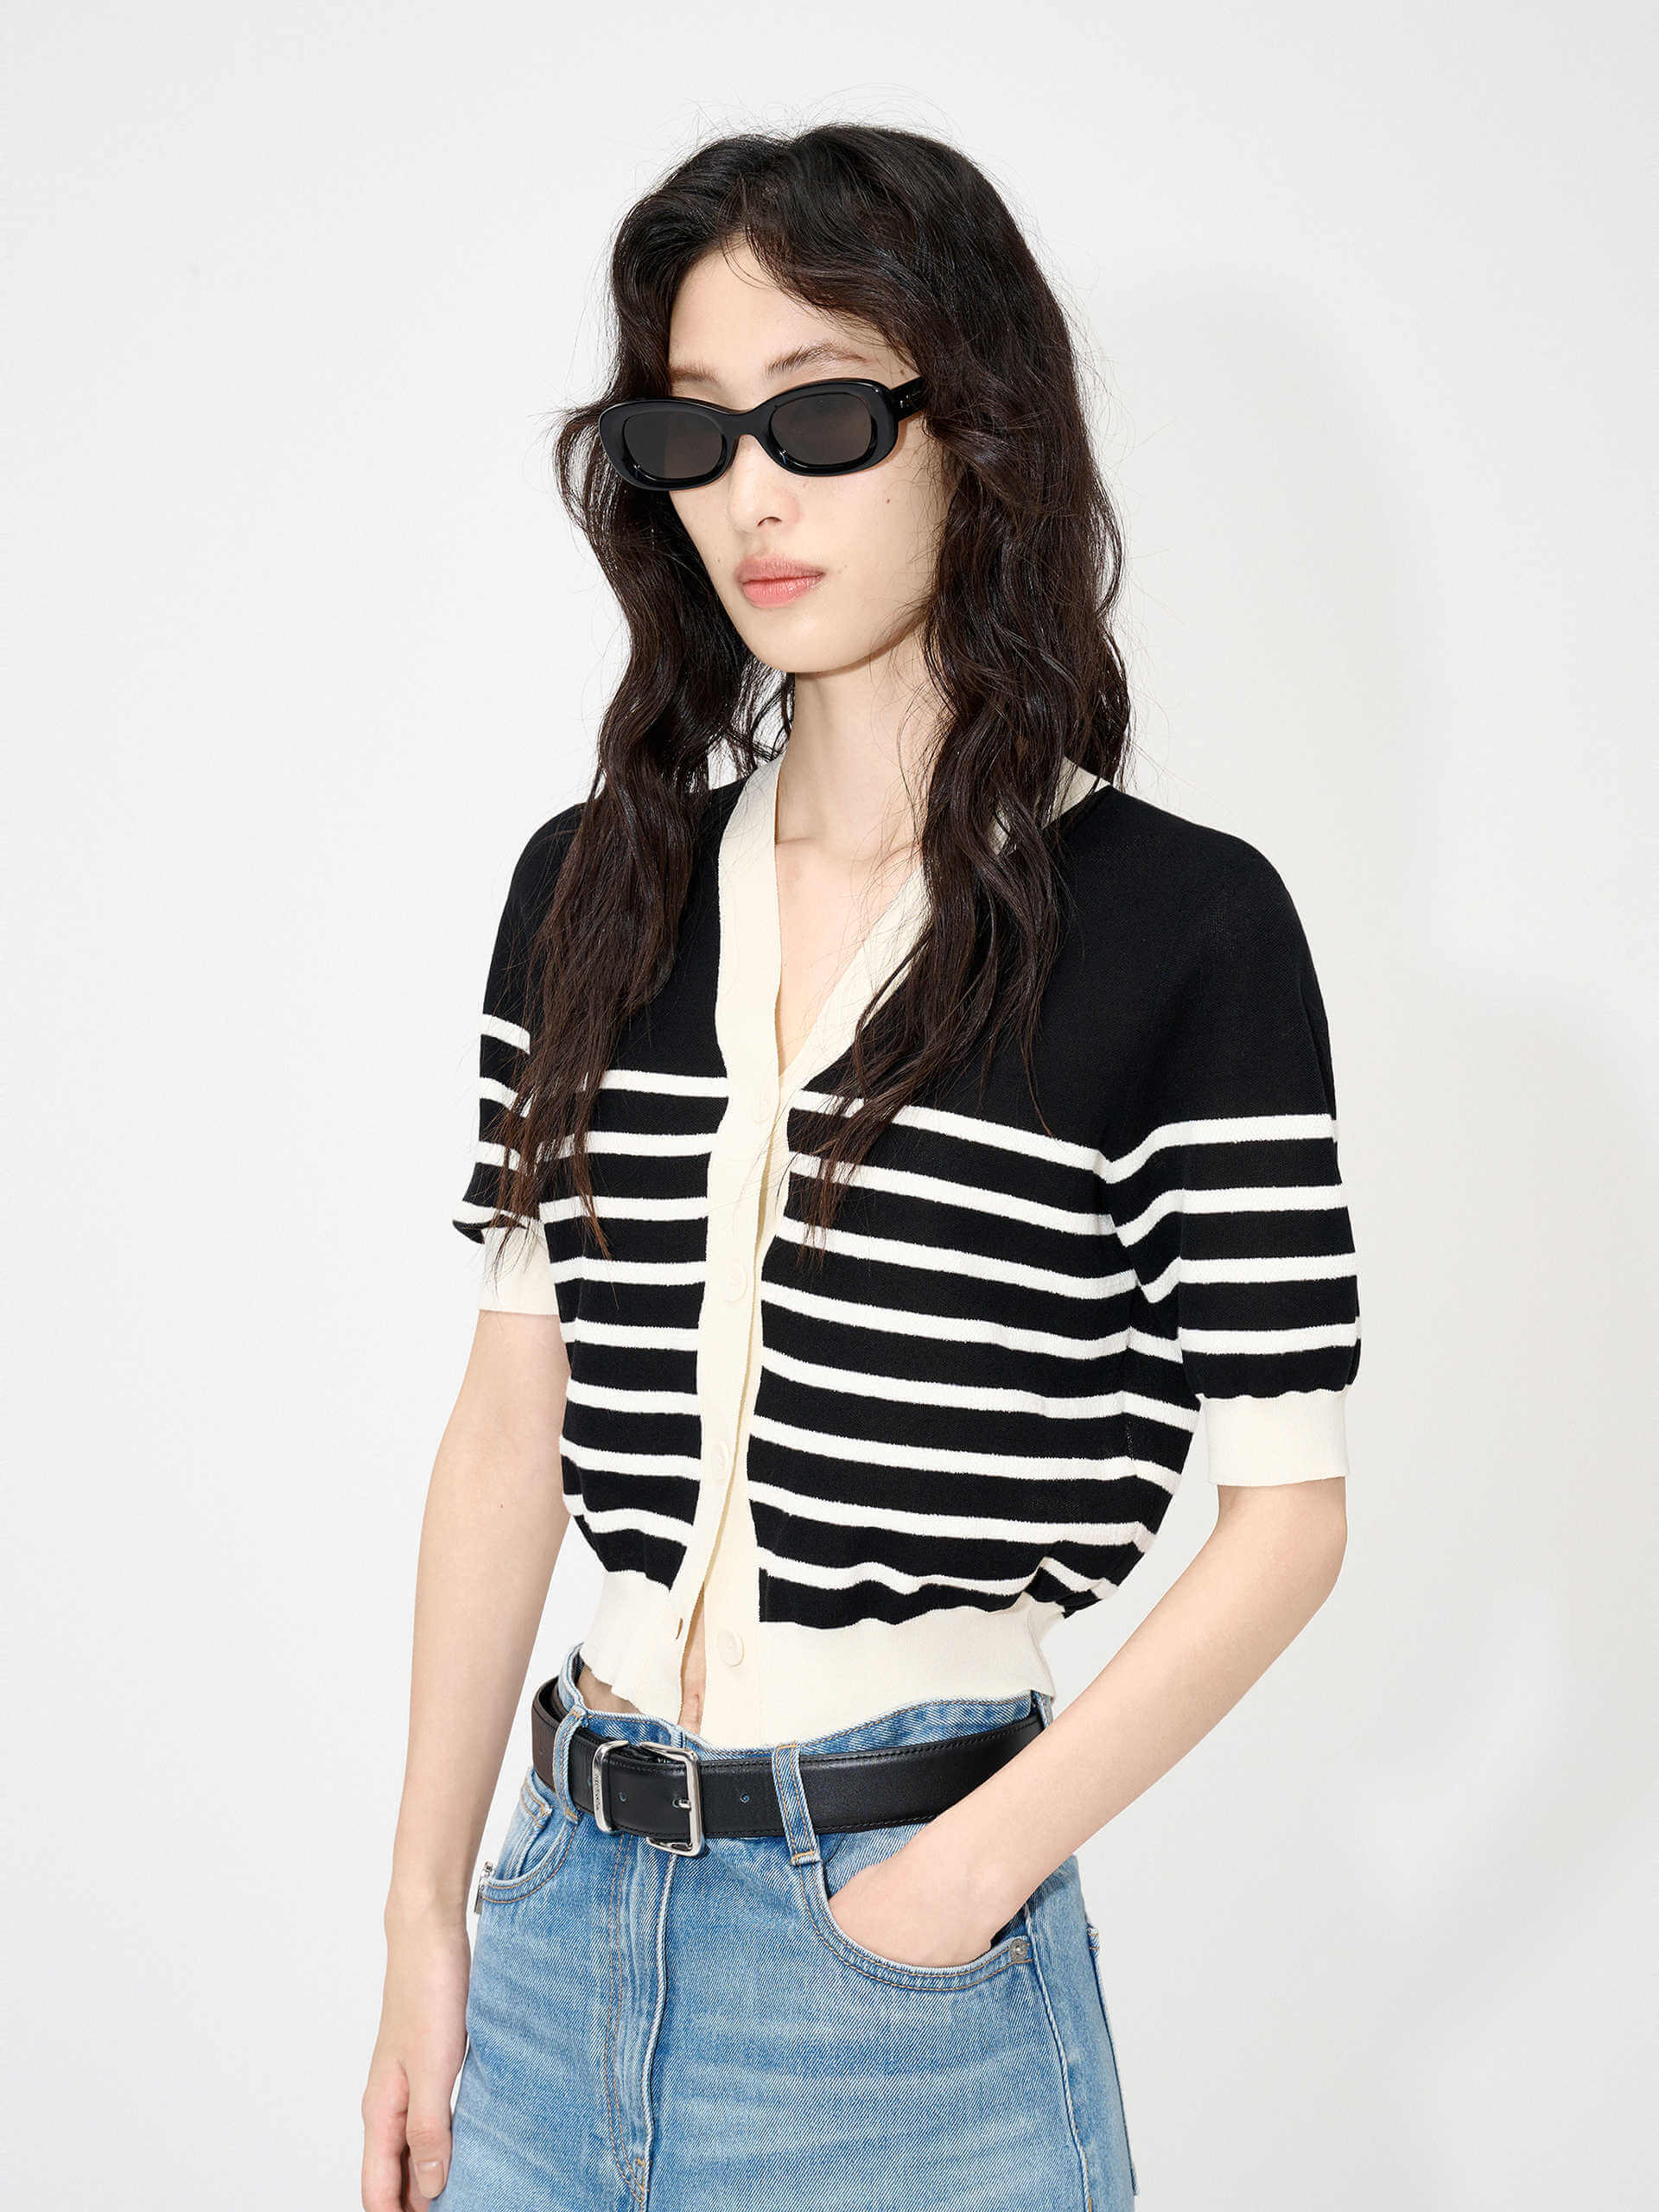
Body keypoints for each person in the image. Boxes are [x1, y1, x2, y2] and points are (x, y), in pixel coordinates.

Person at [360, 122, 1360, 2212]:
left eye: (818, 414)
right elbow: (512, 1416)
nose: (753, 494)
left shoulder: (1180, 927)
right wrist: (424, 1919)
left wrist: (962, 1873)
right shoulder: (593, 889)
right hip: (554, 1928)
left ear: (973, 428)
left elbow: (1288, 1514)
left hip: (899, 1975)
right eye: (692, 431)